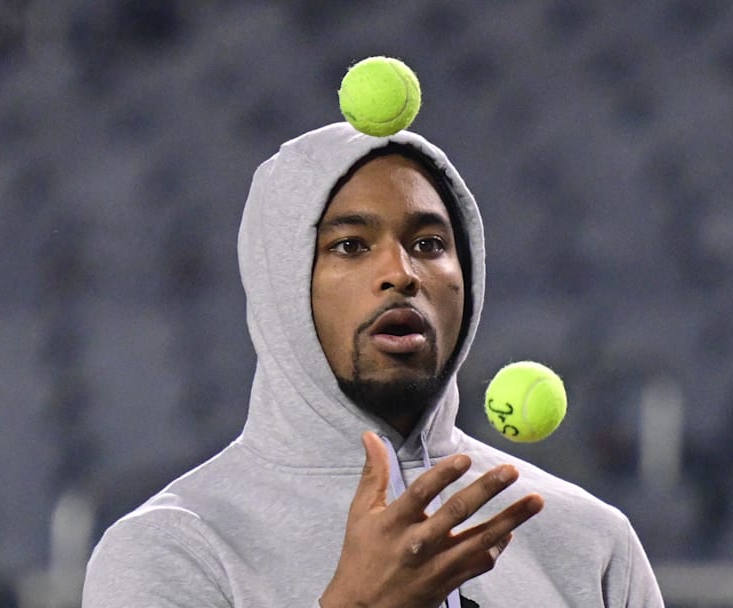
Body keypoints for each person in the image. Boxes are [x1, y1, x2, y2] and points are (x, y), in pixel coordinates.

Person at [82, 122, 664, 607]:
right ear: (281, 284)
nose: (401, 272)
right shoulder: (173, 549)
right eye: (350, 246)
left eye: (430, 243)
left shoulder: (588, 540)